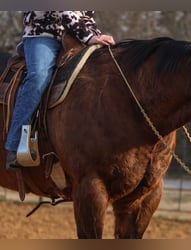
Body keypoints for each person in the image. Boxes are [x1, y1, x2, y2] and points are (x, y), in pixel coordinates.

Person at [5, 11, 115, 170]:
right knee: (38, 77)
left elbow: (85, 15)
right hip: (43, 34)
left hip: (76, 36)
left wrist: (97, 36)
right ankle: (15, 145)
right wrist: (89, 37)